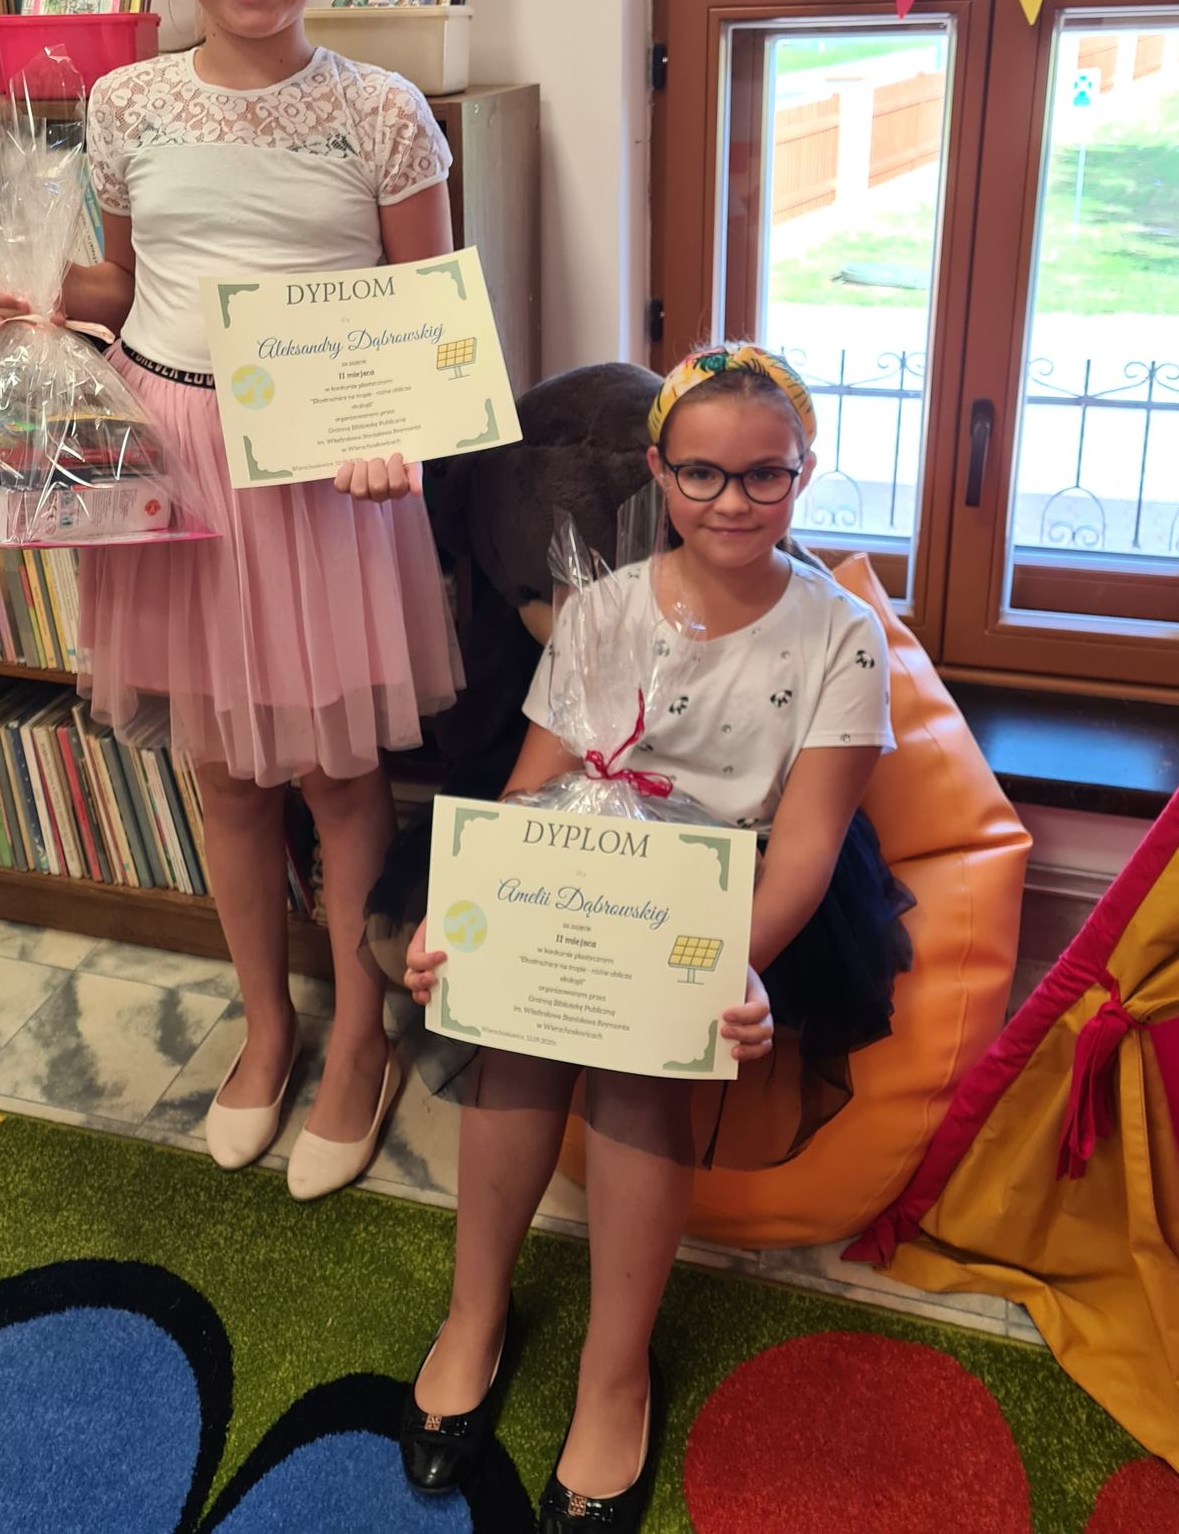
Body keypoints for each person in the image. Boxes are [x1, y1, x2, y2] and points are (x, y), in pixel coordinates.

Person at [0, 0, 462, 1200]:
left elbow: (433, 321)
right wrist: (38, 294)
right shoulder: (125, 103)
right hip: (172, 461)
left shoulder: (382, 112)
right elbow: (131, 284)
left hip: (318, 477)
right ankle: (266, 1023)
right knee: (225, 775)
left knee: (339, 774)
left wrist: (400, 430)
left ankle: (358, 1035)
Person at [400, 343, 905, 1530]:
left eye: (765, 474)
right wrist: (467, 918)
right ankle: (475, 1312)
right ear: (659, 472)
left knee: (641, 1070)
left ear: (804, 471)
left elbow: (806, 848)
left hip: (727, 900)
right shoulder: (603, 607)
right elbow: (531, 790)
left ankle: (615, 1370)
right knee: (513, 1037)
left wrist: (733, 962)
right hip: (578, 868)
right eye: (703, 473)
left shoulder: (840, 635)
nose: (733, 500)